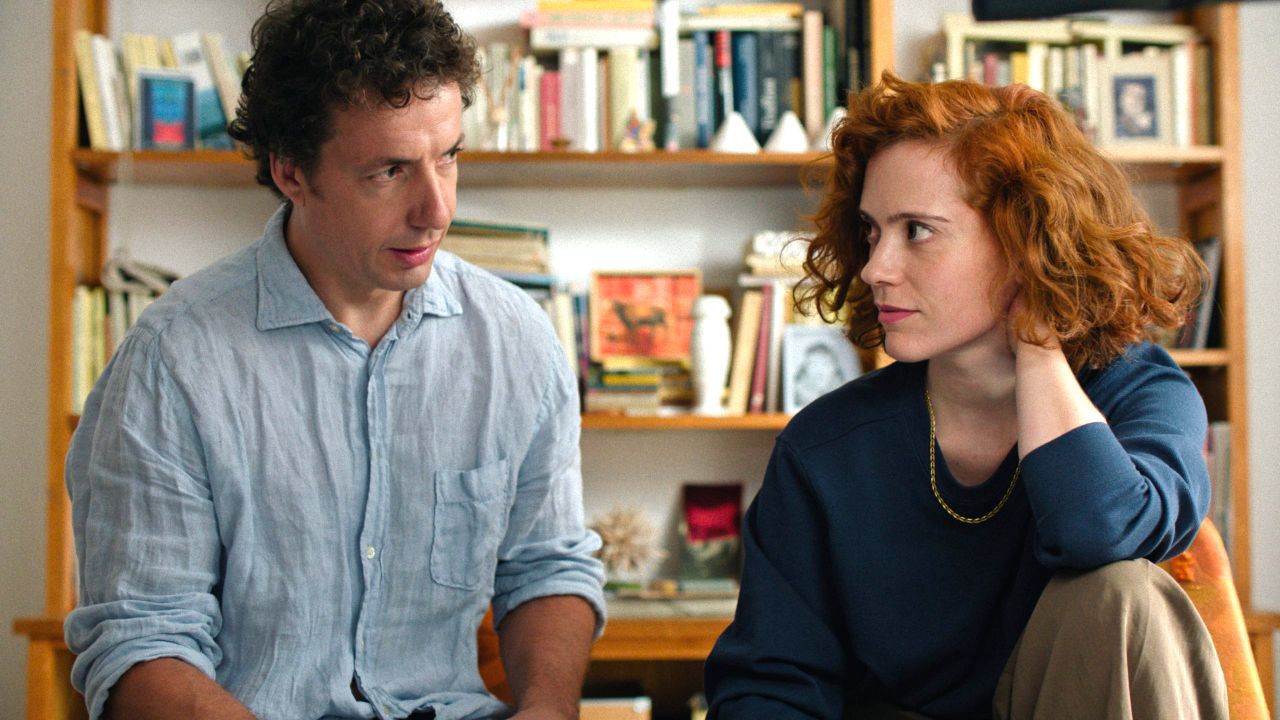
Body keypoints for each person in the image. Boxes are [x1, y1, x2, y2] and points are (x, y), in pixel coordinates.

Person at [64, 2, 606, 719]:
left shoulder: (517, 341)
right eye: (390, 171)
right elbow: (142, 639)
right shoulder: (172, 362)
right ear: (291, 171)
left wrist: (548, 709)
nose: (436, 209)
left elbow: (546, 566)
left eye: (448, 157)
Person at [704, 73, 1226, 718]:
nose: (875, 268)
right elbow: (768, 682)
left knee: (1123, 592)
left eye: (917, 230)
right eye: (871, 231)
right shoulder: (825, 447)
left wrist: (1038, 343)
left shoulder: (1140, 394)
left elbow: (1101, 533)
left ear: (1026, 240)